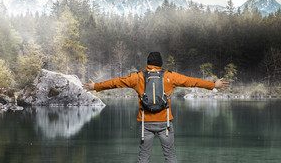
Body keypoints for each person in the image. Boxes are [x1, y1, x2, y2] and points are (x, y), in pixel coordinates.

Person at [83, 52, 229, 163]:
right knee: (170, 156)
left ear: (148, 63)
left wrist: (95, 86)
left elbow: (116, 82)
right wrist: (213, 85)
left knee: (144, 157)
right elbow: (192, 81)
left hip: (145, 123)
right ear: (160, 64)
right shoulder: (170, 76)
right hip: (165, 123)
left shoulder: (137, 77)